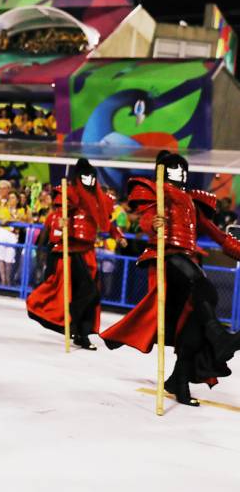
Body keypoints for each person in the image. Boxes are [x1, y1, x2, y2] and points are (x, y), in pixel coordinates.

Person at [101, 151, 240, 405]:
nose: (179, 172)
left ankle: (180, 381)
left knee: (194, 322)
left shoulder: (191, 201)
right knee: (202, 286)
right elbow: (145, 219)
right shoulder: (155, 192)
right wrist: (152, 224)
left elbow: (218, 236)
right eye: (173, 168)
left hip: (189, 261)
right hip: (167, 259)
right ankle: (219, 336)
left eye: (181, 168)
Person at [26, 159, 125, 349]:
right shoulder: (69, 194)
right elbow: (59, 214)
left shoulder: (100, 199)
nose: (89, 180)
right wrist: (61, 223)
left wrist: (117, 235)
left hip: (88, 251)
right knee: (86, 290)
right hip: (70, 251)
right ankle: (70, 319)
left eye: (91, 176)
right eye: (85, 176)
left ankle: (82, 333)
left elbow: (107, 222)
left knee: (92, 294)